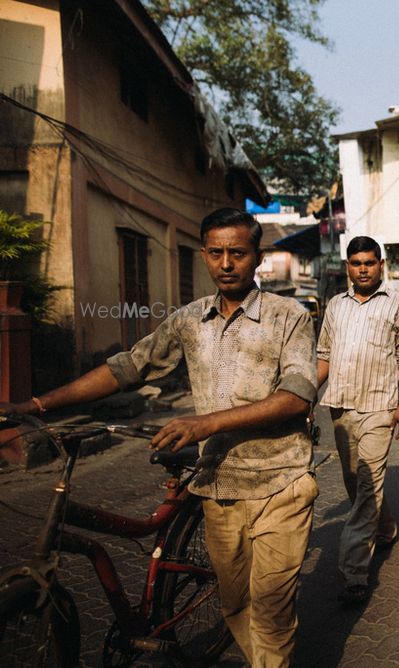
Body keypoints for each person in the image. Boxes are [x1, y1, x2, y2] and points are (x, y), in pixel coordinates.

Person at [1, 208, 319, 666]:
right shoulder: (189, 320)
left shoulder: (289, 316)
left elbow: (297, 398)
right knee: (235, 606)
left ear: (257, 257)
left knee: (270, 613)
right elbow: (126, 367)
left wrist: (205, 423)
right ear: (205, 256)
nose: (226, 263)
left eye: (237, 253)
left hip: (281, 484)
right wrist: (33, 406)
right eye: (215, 253)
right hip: (218, 486)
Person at [316, 236, 399, 604]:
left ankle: (354, 572)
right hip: (341, 406)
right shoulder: (335, 307)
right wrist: (303, 396)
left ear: (381, 265)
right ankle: (386, 527)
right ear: (348, 266)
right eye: (356, 263)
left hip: (380, 406)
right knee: (354, 480)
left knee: (367, 482)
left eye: (369, 263)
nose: (363, 269)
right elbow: (324, 354)